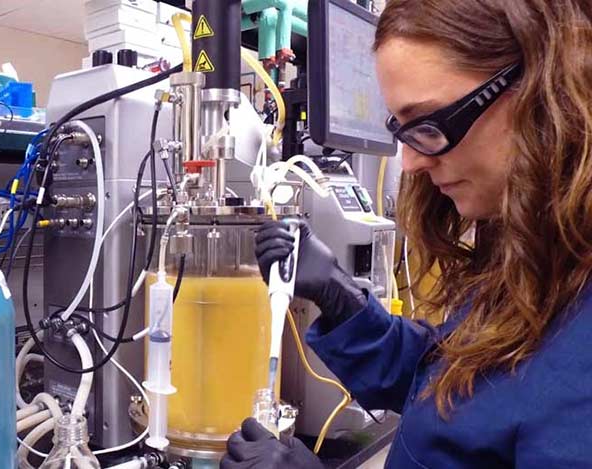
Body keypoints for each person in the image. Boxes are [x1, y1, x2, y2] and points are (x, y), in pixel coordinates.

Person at [221, 0, 592, 467]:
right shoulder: (533, 250)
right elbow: (452, 386)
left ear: (544, 89)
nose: (412, 162)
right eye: (402, 129)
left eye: (430, 125)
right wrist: (343, 302)